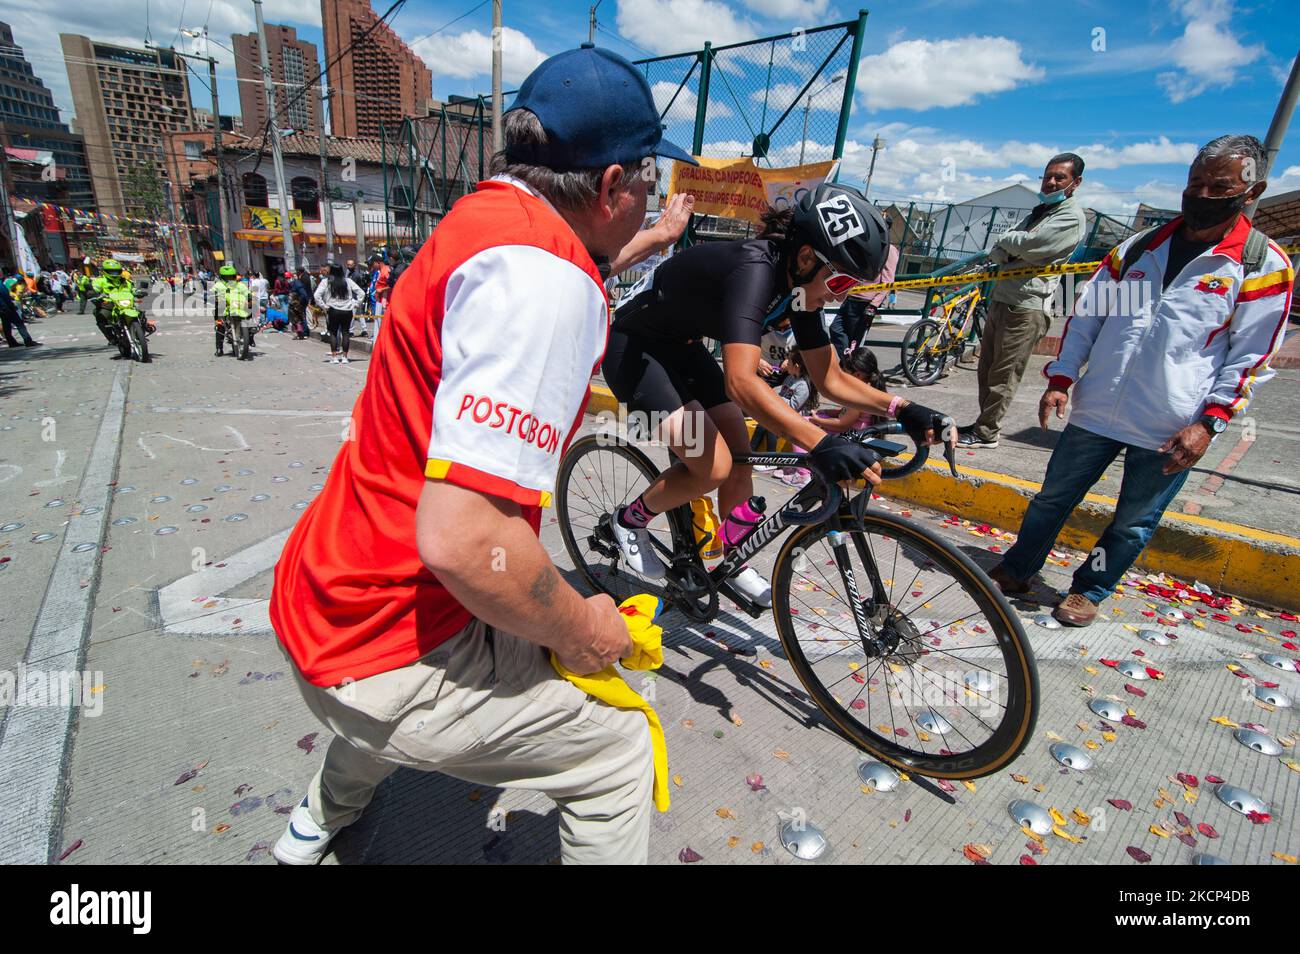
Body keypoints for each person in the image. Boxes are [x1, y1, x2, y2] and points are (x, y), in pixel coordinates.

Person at [269, 45, 697, 866]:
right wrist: (585, 628)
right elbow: (465, 544)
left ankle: (314, 824)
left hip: (325, 593)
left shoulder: (486, 220)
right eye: (647, 181)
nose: (651, 198)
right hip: (388, 642)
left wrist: (644, 244)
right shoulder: (546, 281)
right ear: (611, 186)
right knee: (614, 751)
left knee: (481, 640)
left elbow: (570, 268)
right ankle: (337, 795)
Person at [988, 135, 1293, 627]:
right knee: (1052, 498)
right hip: (1098, 407)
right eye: (1196, 182)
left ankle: (1090, 588)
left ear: (1251, 191)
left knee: (1131, 522)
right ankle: (1018, 568)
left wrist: (1209, 424)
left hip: (1170, 423)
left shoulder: (1258, 265)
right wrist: (1062, 378)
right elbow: (1089, 317)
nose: (1203, 194)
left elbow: (1250, 358)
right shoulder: (1141, 249)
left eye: (1220, 186)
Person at [603, 181, 953, 605]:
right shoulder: (755, 268)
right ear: (806, 256)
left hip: (683, 347)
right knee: (711, 466)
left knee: (740, 456)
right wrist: (820, 442)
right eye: (841, 283)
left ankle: (733, 559)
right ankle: (628, 520)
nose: (837, 296)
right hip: (634, 349)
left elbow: (831, 378)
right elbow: (741, 382)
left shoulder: (802, 289)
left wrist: (903, 406)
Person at [958, 153, 1088, 449]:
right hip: (1003, 297)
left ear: (1075, 182)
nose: (1051, 182)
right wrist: (1010, 246)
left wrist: (1009, 243)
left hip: (1027, 305)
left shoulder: (1070, 217)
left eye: (1060, 177)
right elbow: (1003, 250)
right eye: (1048, 176)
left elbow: (1031, 246)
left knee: (1004, 374)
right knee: (987, 368)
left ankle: (987, 431)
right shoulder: (1039, 213)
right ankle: (983, 423)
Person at [829, 215, 898, 358]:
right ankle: (845, 364)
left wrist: (874, 304)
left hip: (865, 303)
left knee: (855, 342)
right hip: (850, 299)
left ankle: (852, 370)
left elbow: (888, 280)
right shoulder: (867, 245)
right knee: (836, 329)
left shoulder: (889, 250)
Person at [313, 263, 364, 364]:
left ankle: (335, 357)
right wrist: (356, 304)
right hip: (347, 310)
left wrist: (324, 306)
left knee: (333, 333)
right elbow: (361, 293)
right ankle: (345, 357)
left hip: (333, 310)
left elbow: (316, 295)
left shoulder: (326, 281)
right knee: (346, 333)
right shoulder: (348, 281)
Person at [212, 264, 253, 359]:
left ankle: (250, 337)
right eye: (226, 277)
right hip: (223, 305)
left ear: (234, 276)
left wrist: (250, 298)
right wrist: (214, 297)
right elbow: (212, 293)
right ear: (222, 277)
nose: (228, 279)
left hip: (239, 305)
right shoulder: (218, 285)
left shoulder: (239, 285)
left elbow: (247, 293)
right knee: (220, 325)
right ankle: (219, 348)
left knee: (251, 316)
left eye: (230, 276)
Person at [1, 269, 39, 347]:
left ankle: (11, 342)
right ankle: (28, 340)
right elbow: (6, 296)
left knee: (6, 326)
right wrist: (12, 306)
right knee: (19, 324)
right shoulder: (0, 284)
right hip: (7, 307)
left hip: (2, 308)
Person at [288, 267, 313, 339]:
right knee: (299, 318)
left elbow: (303, 293)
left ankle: (304, 333)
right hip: (299, 302)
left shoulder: (300, 281)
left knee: (302, 317)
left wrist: (300, 301)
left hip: (300, 303)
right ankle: (301, 333)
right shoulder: (299, 280)